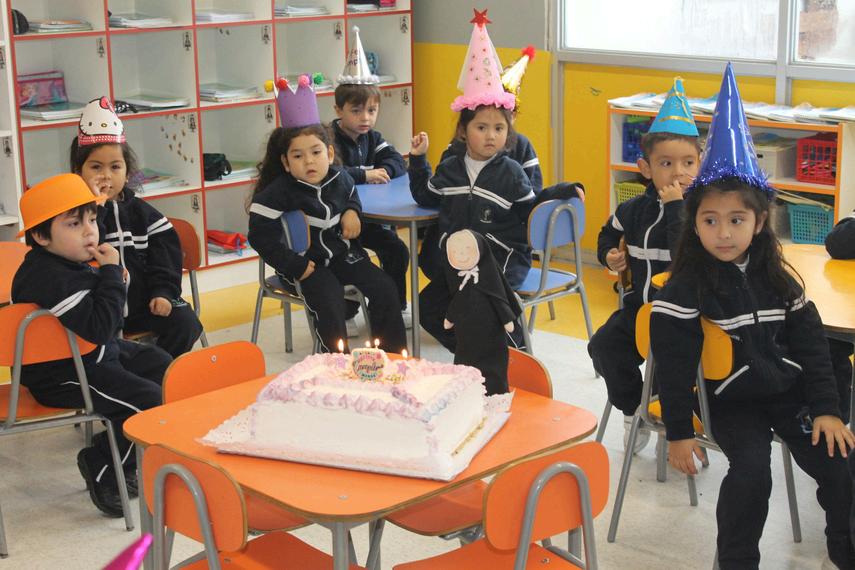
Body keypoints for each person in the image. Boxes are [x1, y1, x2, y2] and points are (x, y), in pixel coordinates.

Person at [651, 64, 855, 570]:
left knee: (840, 464)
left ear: (760, 221)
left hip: (787, 394)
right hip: (731, 403)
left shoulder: (778, 277)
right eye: (710, 220)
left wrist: (827, 408)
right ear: (694, 223)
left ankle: (845, 550)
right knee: (751, 477)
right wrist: (678, 431)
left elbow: (812, 345)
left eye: (737, 220)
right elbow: (673, 363)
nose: (723, 233)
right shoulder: (687, 285)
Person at [12, 173, 170, 517]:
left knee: (163, 367)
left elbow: (101, 330)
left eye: (92, 219)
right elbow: (101, 327)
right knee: (147, 401)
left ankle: (116, 445)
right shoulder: (48, 276)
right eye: (74, 224)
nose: (90, 232)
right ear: (41, 236)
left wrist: (108, 272)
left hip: (92, 355)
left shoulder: (65, 259)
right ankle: (104, 466)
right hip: (61, 374)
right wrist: (111, 273)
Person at [248, 75, 406, 354]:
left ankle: (391, 357)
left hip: (344, 255)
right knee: (330, 299)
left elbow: (351, 195)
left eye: (316, 152)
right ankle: (334, 364)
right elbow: (260, 237)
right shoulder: (277, 193)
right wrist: (294, 265)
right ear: (286, 162)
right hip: (306, 265)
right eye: (298, 156)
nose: (309, 161)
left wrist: (352, 211)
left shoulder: (340, 177)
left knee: (384, 288)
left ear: (330, 154)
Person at [408, 11, 534, 352]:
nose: (491, 135)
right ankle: (474, 352)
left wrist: (561, 193)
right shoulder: (450, 168)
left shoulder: (512, 172)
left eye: (499, 128)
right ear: (463, 131)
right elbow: (425, 196)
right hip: (458, 262)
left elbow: (532, 216)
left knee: (489, 310)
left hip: (500, 263)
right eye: (482, 127)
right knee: (428, 308)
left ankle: (512, 358)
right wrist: (418, 159)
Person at [587, 78, 701, 453]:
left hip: (685, 316)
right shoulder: (632, 209)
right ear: (646, 168)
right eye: (666, 163)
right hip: (639, 308)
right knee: (603, 347)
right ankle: (635, 410)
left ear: (700, 165)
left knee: (676, 369)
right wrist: (609, 254)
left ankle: (682, 422)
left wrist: (676, 207)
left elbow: (685, 252)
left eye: (688, 163)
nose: (677, 172)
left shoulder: (702, 212)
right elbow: (607, 233)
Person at [69, 97, 203, 358]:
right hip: (101, 311)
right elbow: (89, 246)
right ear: (78, 172)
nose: (106, 175)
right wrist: (98, 208)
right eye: (96, 167)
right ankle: (132, 369)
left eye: (115, 167)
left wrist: (163, 293)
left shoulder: (145, 215)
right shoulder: (74, 217)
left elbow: (165, 259)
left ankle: (159, 368)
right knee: (104, 349)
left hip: (143, 304)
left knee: (186, 322)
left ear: (127, 172)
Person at [332, 26, 410, 334]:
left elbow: (396, 161)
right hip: (341, 222)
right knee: (353, 259)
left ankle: (395, 307)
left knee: (397, 250)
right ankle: (347, 312)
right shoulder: (328, 140)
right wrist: (365, 174)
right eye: (356, 111)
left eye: (372, 110)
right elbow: (332, 174)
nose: (365, 117)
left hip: (372, 219)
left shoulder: (373, 138)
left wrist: (385, 169)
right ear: (338, 109)